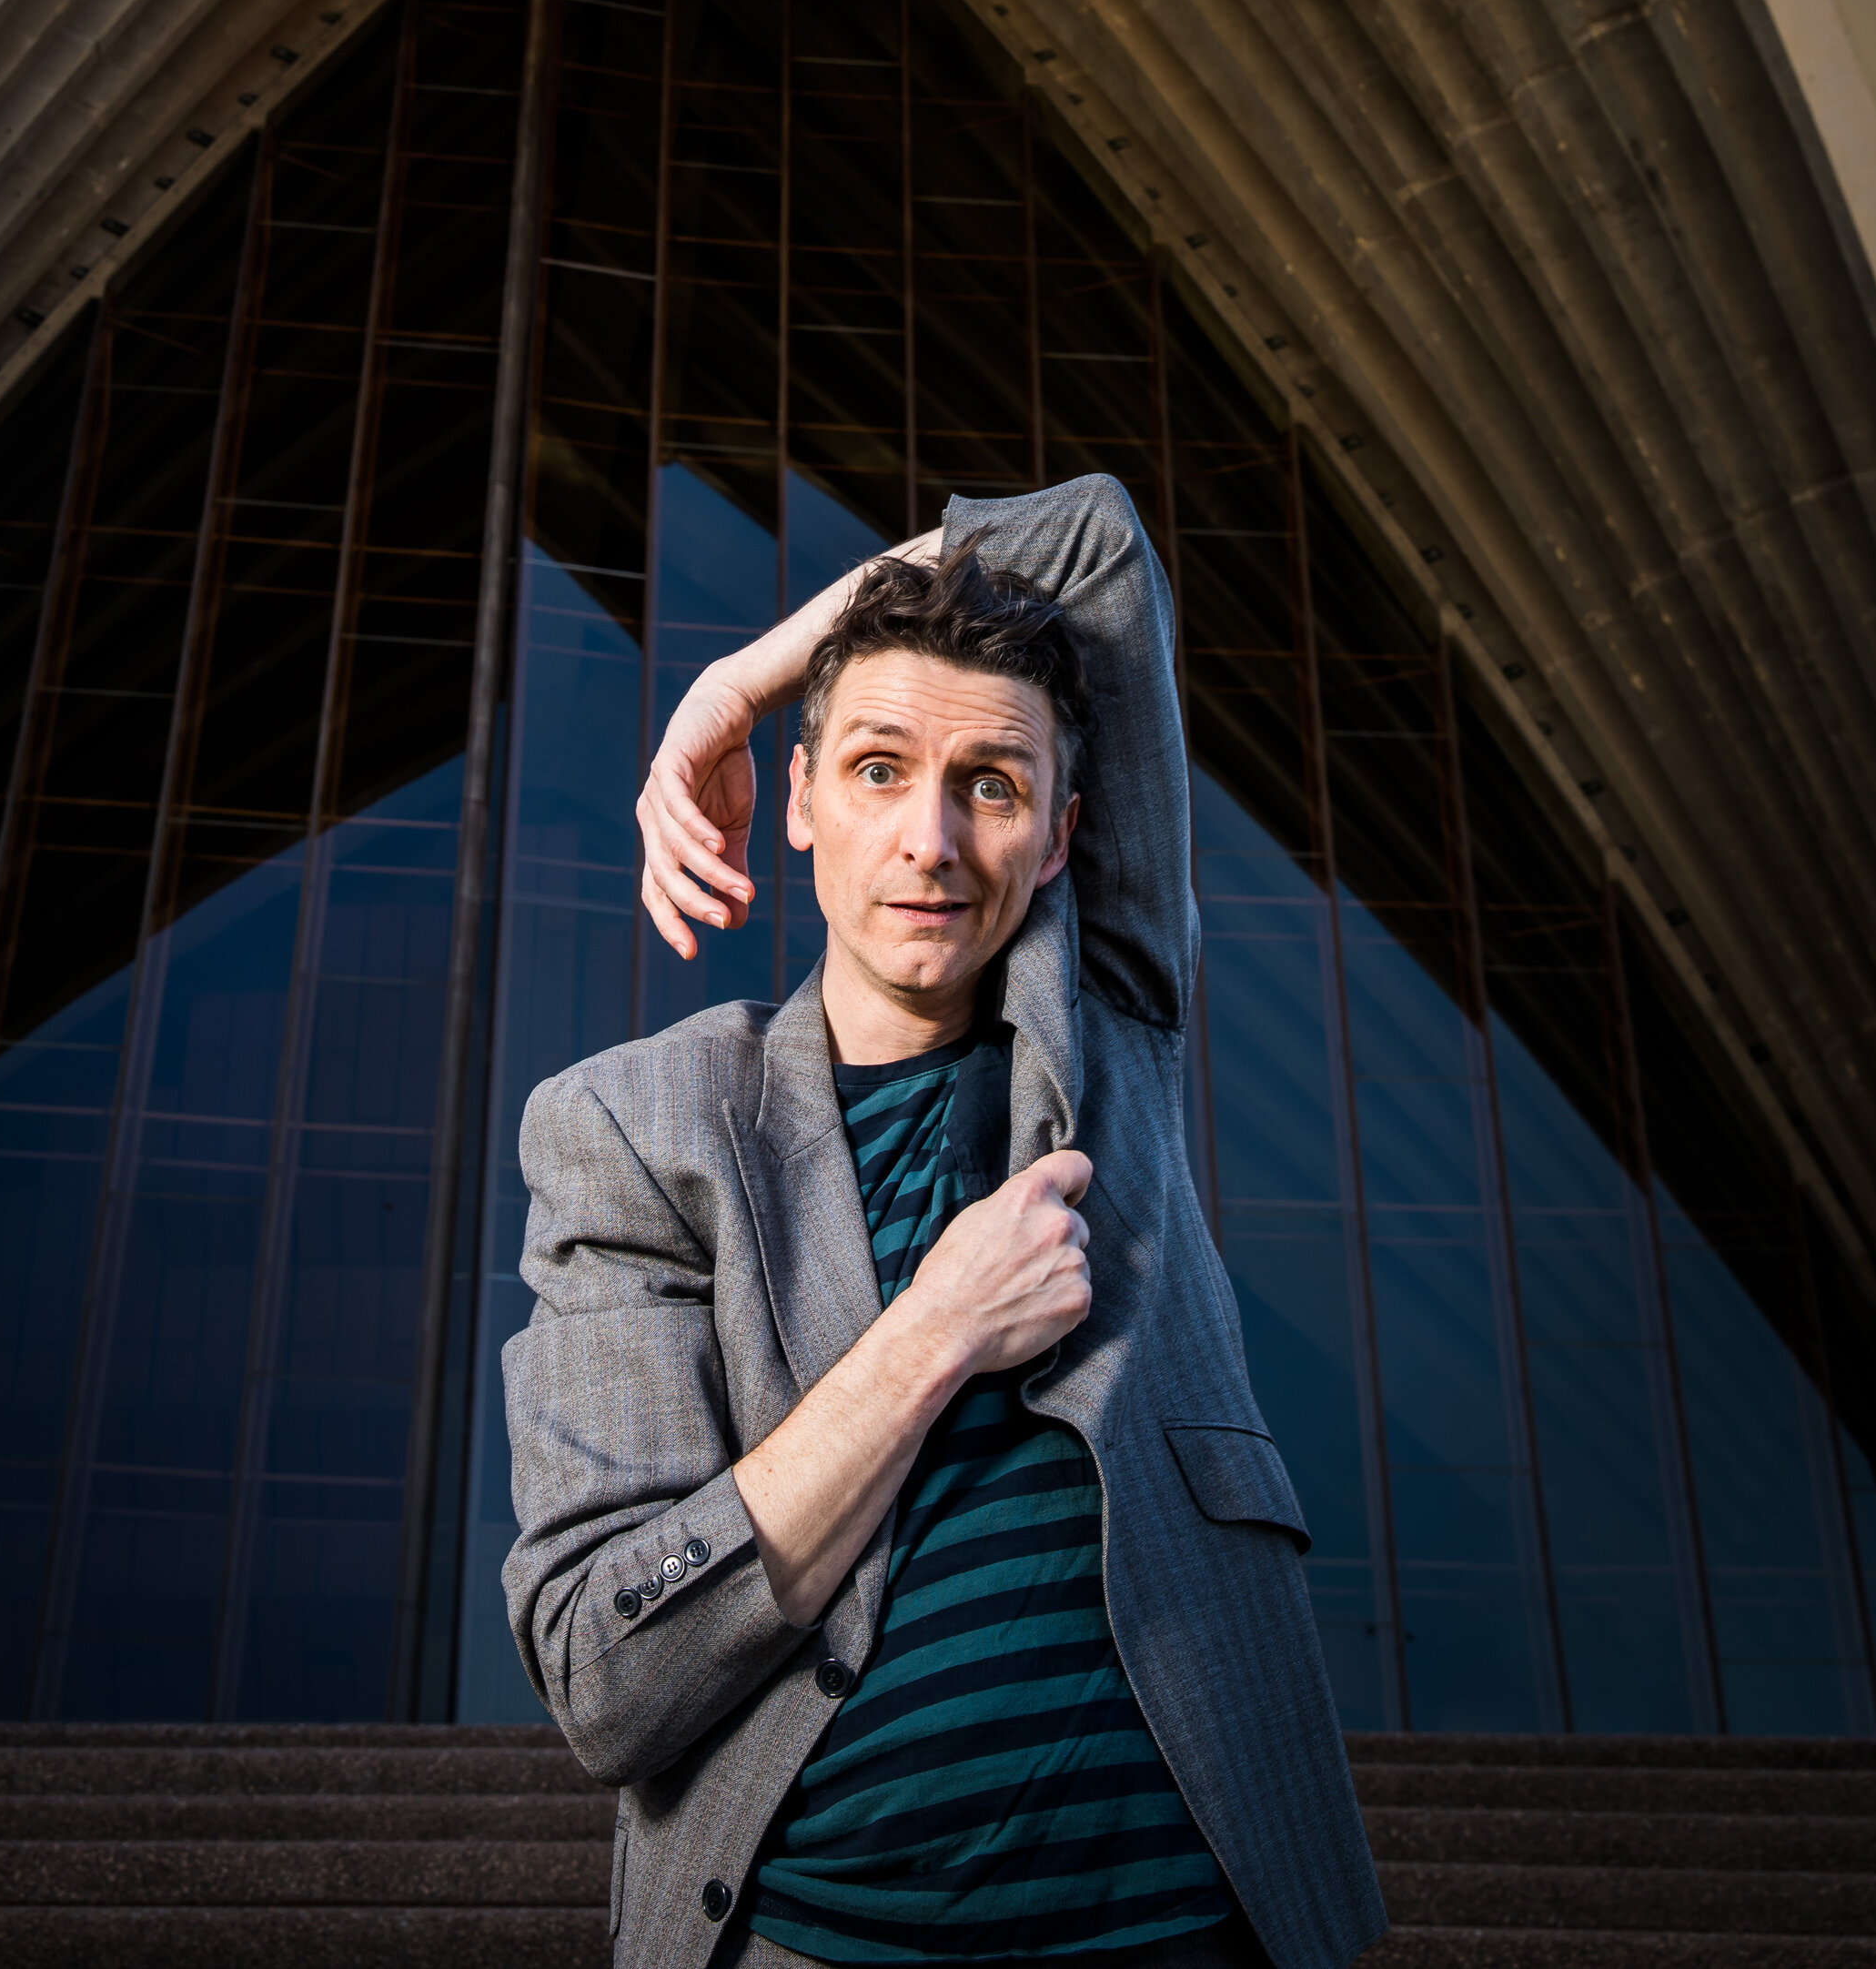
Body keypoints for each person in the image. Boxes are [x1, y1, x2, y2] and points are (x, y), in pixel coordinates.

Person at [501, 476, 1385, 1969]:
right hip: (820, 1938)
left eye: (990, 782)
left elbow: (1098, 531)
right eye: (876, 767)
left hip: (1188, 1926)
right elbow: (607, 1664)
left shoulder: (1105, 1012)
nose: (931, 837)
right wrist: (936, 1330)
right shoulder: (636, 1129)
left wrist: (737, 678)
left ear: (1057, 840)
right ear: (799, 803)